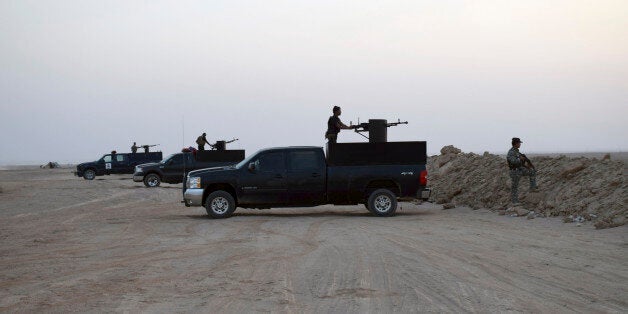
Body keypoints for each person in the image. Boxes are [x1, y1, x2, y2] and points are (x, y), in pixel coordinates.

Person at [507, 137, 538, 205]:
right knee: (514, 186)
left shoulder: (517, 151)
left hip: (520, 169)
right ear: (515, 144)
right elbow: (513, 161)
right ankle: (514, 202)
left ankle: (532, 188)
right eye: (519, 143)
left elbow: (521, 161)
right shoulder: (511, 152)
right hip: (514, 171)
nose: (520, 144)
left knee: (532, 171)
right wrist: (520, 159)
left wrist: (527, 165)